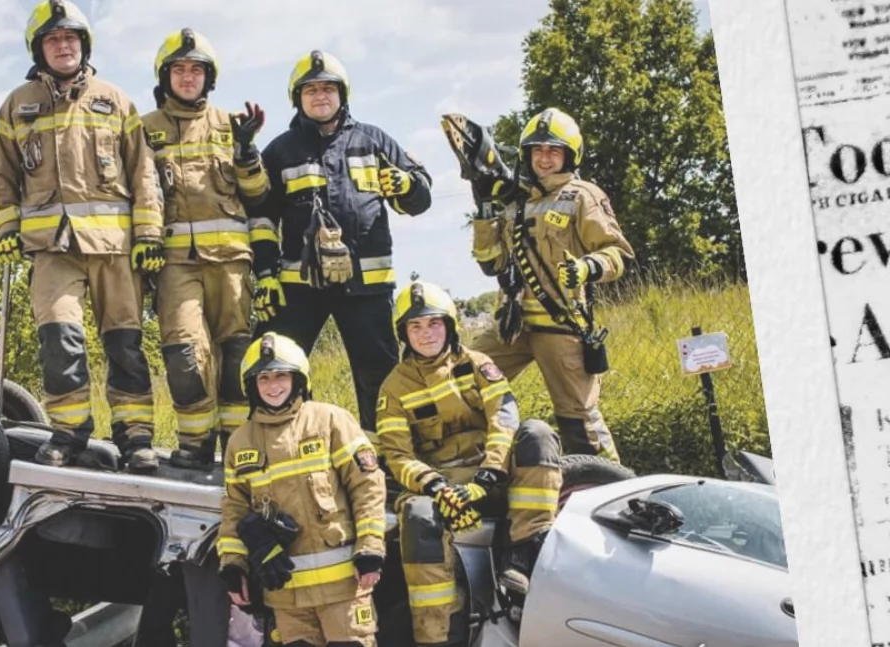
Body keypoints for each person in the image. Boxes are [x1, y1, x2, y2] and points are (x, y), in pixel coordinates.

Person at [0, 0, 164, 472]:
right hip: (51, 249)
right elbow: (1, 176)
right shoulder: (17, 104)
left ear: (83, 45)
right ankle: (68, 434)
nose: (63, 47)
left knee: (124, 344)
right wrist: (7, 226)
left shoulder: (116, 100)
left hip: (114, 247)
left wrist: (149, 233)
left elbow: (144, 173)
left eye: (70, 39)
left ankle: (136, 438)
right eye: (53, 39)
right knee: (60, 339)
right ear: (39, 48)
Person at [249, 50, 433, 439]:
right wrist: (265, 274)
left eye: (328, 88)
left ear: (342, 94)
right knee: (276, 369)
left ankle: (387, 459)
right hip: (299, 290)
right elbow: (261, 218)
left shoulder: (374, 140)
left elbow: (419, 199)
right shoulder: (280, 151)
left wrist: (408, 185)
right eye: (311, 89)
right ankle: (285, 452)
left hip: (366, 290)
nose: (320, 96)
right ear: (296, 98)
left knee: (379, 378)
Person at [376, 280, 563, 645]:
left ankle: (522, 557)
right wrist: (439, 488)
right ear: (403, 333)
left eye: (433, 323)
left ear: (449, 325)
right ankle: (439, 636)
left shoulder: (478, 364)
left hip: (492, 471)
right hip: (444, 484)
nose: (426, 333)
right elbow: (397, 455)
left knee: (538, 434)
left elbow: (504, 417)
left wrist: (489, 473)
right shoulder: (393, 388)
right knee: (416, 516)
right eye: (415, 326)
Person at [442, 107, 635, 462]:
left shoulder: (582, 196)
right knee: (460, 382)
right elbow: (491, 263)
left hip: (560, 327)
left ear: (569, 155)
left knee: (579, 421)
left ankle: (614, 488)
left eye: (553, 150)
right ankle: (471, 464)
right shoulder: (516, 200)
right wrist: (484, 209)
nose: (544, 158)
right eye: (537, 150)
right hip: (512, 326)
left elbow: (617, 254)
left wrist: (588, 267)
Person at [140, 28, 272, 471]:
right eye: (179, 69)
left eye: (196, 69)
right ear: (165, 76)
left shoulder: (228, 124)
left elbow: (257, 193)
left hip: (232, 262)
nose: (188, 76)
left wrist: (248, 150)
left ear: (209, 77)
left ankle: (236, 444)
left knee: (235, 353)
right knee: (183, 353)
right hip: (175, 265)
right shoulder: (144, 130)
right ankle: (194, 445)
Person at [216, 332, 387, 647]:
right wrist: (233, 565)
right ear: (251, 386)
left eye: (281, 375)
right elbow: (234, 509)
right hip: (286, 596)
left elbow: (367, 486)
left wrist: (371, 548)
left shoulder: (331, 420)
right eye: (263, 378)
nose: (273, 385)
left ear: (299, 378)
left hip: (344, 590)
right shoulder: (240, 442)